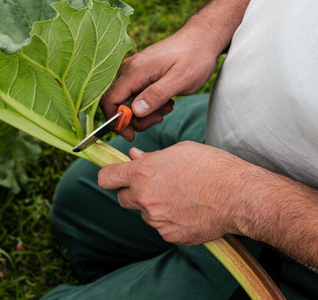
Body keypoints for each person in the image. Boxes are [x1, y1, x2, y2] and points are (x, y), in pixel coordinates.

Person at [43, 0, 318, 298]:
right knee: (79, 209)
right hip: (228, 132)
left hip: (293, 242)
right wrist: (211, 28)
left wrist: (237, 198)